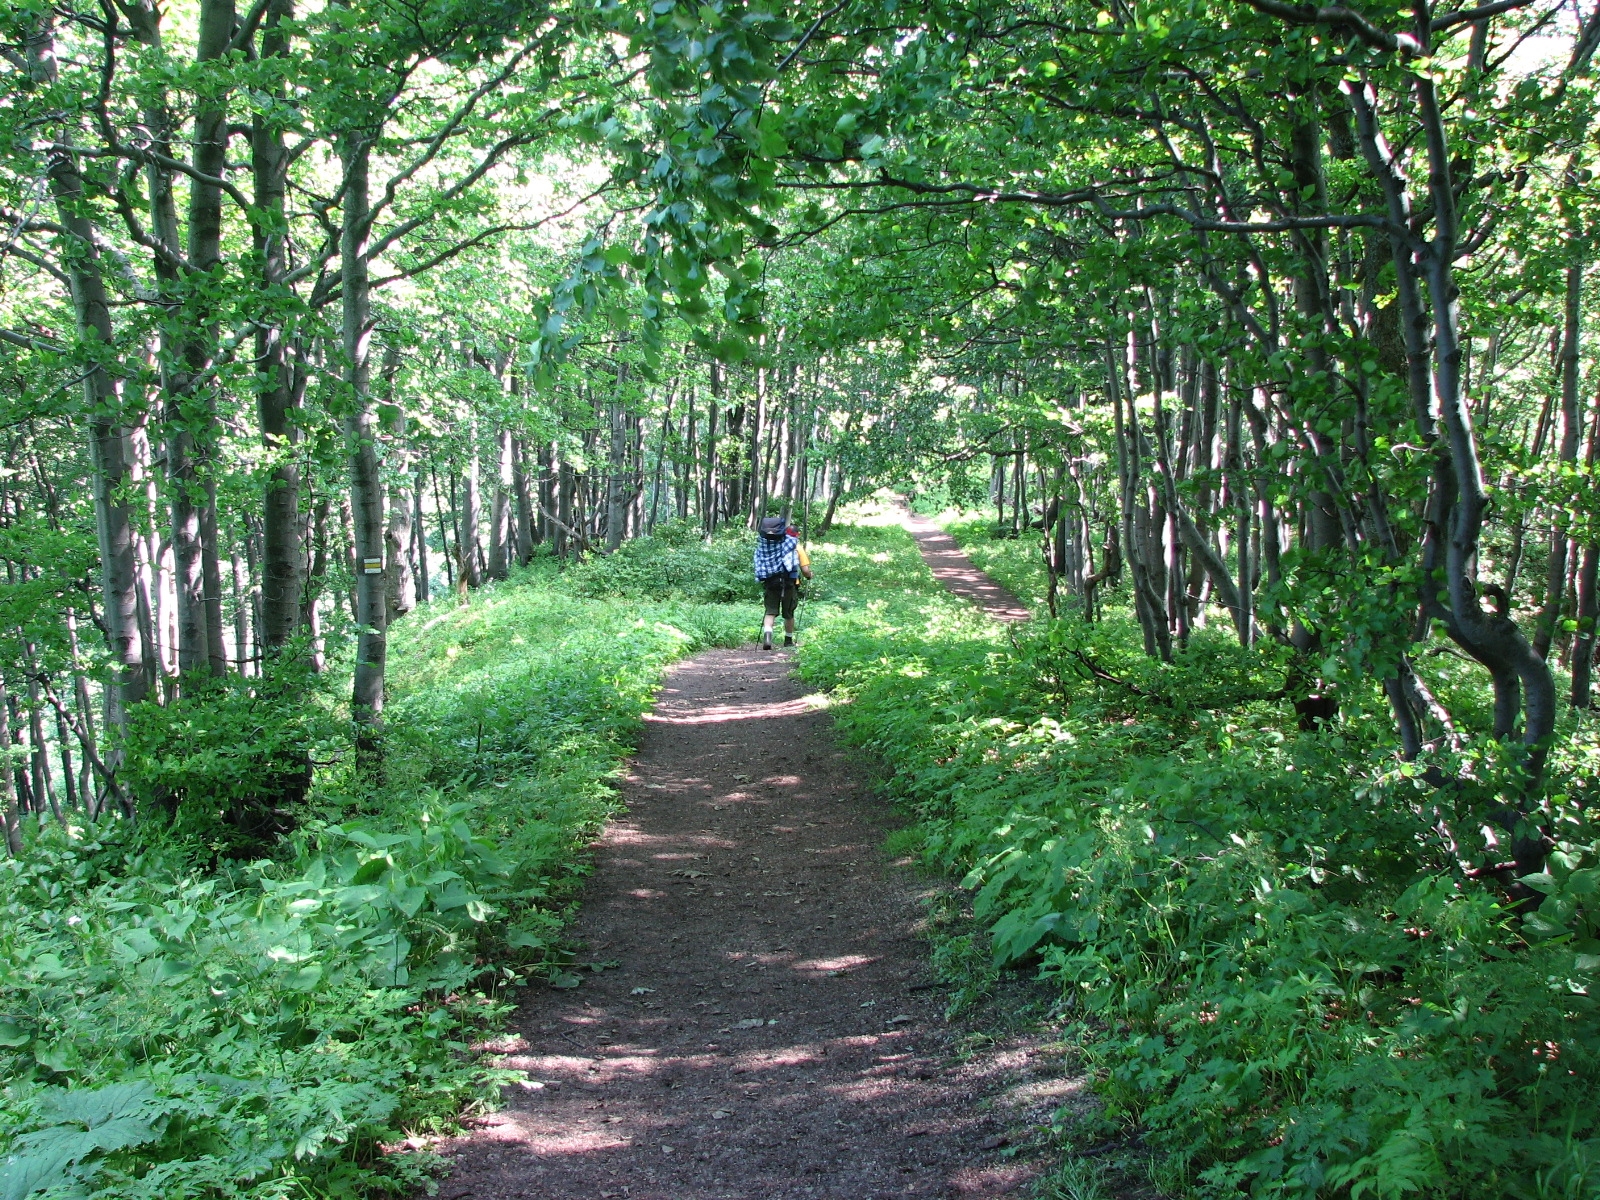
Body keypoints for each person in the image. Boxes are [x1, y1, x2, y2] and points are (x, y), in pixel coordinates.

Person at [753, 515, 812, 650]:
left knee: (770, 611)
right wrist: (809, 576)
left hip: (770, 582)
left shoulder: (763, 546)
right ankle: (788, 640)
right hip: (788, 582)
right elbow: (805, 570)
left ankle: (767, 638)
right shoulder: (793, 545)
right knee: (789, 613)